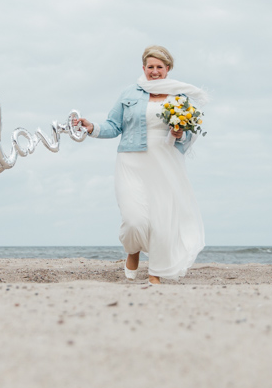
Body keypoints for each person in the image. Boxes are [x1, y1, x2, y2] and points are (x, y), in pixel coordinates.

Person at [74, 46, 206, 284]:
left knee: (161, 220)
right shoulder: (129, 94)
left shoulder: (180, 97)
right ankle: (132, 249)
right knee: (134, 220)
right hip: (131, 161)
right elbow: (113, 126)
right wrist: (91, 127)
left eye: (159, 67)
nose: (154, 72)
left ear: (168, 69)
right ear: (143, 68)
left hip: (166, 162)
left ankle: (155, 272)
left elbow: (189, 136)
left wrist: (179, 133)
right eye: (150, 67)